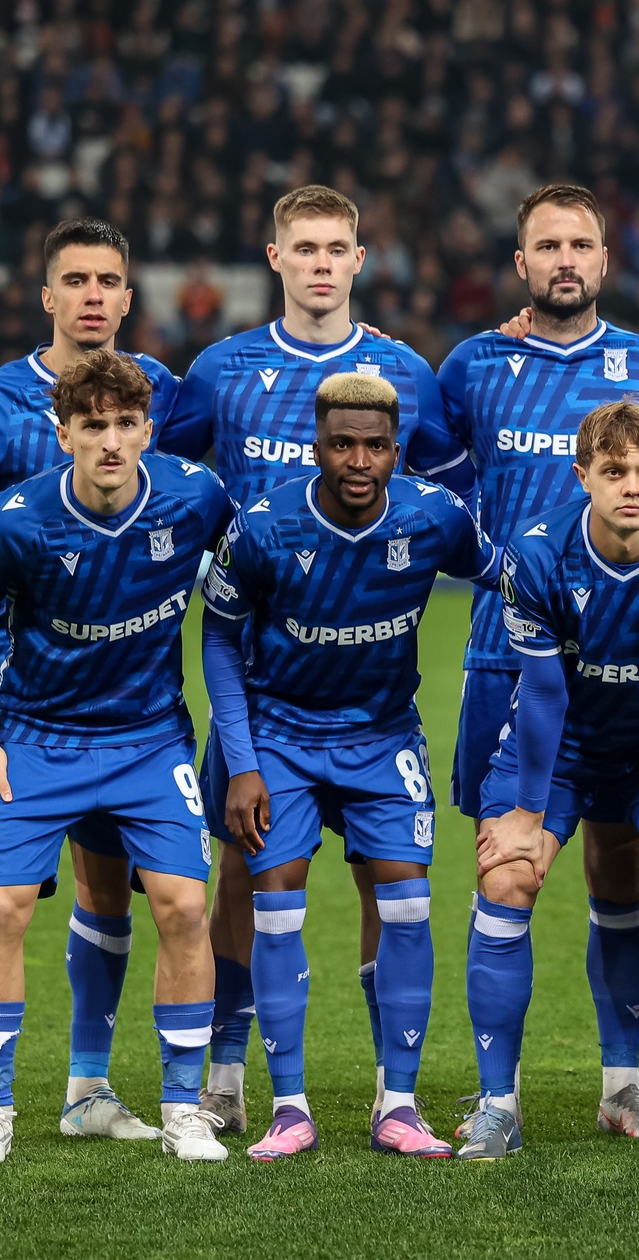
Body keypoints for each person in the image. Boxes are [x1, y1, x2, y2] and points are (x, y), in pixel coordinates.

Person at [409, 184, 639, 1142]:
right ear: (521, 264)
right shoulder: (472, 365)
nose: (565, 259)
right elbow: (435, 485)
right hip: (512, 662)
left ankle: (625, 1088)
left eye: (580, 243)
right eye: (546, 244)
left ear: (602, 256)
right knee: (505, 860)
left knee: (621, 871)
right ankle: (495, 1098)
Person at [162, 184, 443, 1137]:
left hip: (368, 682)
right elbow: (171, 474)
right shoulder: (221, 369)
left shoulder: (404, 370)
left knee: (385, 882)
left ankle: (385, 1087)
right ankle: (232, 1067)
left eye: (337, 248)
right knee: (243, 873)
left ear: (359, 260)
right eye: (304, 248)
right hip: (260, 663)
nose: (321, 264)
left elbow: (447, 485)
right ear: (275, 258)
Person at [0, 218, 182, 1150]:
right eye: (77, 279)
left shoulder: (155, 392)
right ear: (48, 295)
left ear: (129, 297)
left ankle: (88, 1088)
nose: (95, 295)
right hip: (8, 689)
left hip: (120, 691)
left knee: (109, 884)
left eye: (110, 279)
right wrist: (15, 521)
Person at [0, 350, 233, 1166]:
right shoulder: (16, 519)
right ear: (61, 432)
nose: (110, 441)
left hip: (148, 739)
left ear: (148, 430)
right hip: (37, 737)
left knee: (181, 905)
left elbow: (259, 566)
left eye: (125, 425)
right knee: (0, 910)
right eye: (92, 425)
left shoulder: (196, 495)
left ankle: (182, 1106)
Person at [200, 372, 499, 1161]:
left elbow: (503, 571)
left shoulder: (434, 515)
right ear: (317, 447)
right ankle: (289, 1107)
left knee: (407, 905)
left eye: (374, 446)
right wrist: (242, 762)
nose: (358, 461)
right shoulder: (263, 527)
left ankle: (396, 1103)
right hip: (281, 737)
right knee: (276, 901)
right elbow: (219, 639)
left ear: (397, 450)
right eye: (342, 445)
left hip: (382, 736)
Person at [458, 402, 639, 1161]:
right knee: (510, 875)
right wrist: (524, 812)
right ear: (582, 475)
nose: (632, 487)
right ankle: (497, 1106)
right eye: (613, 471)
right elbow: (545, 694)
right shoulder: (539, 552)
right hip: (562, 753)